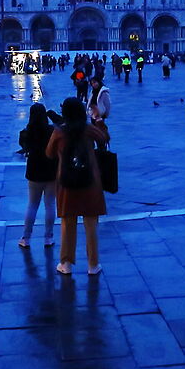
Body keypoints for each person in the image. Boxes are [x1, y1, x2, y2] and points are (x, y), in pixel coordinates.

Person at [47, 95, 107, 276]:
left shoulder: (59, 132)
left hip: (67, 182)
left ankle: (66, 263)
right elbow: (104, 139)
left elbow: (49, 153)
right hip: (90, 182)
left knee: (67, 222)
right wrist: (97, 120)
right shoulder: (88, 129)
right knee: (90, 225)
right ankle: (93, 264)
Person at [16, 102, 57, 249]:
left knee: (32, 205)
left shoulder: (27, 132)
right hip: (51, 170)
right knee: (50, 204)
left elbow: (24, 146)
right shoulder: (52, 130)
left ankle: (26, 237)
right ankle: (48, 237)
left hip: (34, 171)